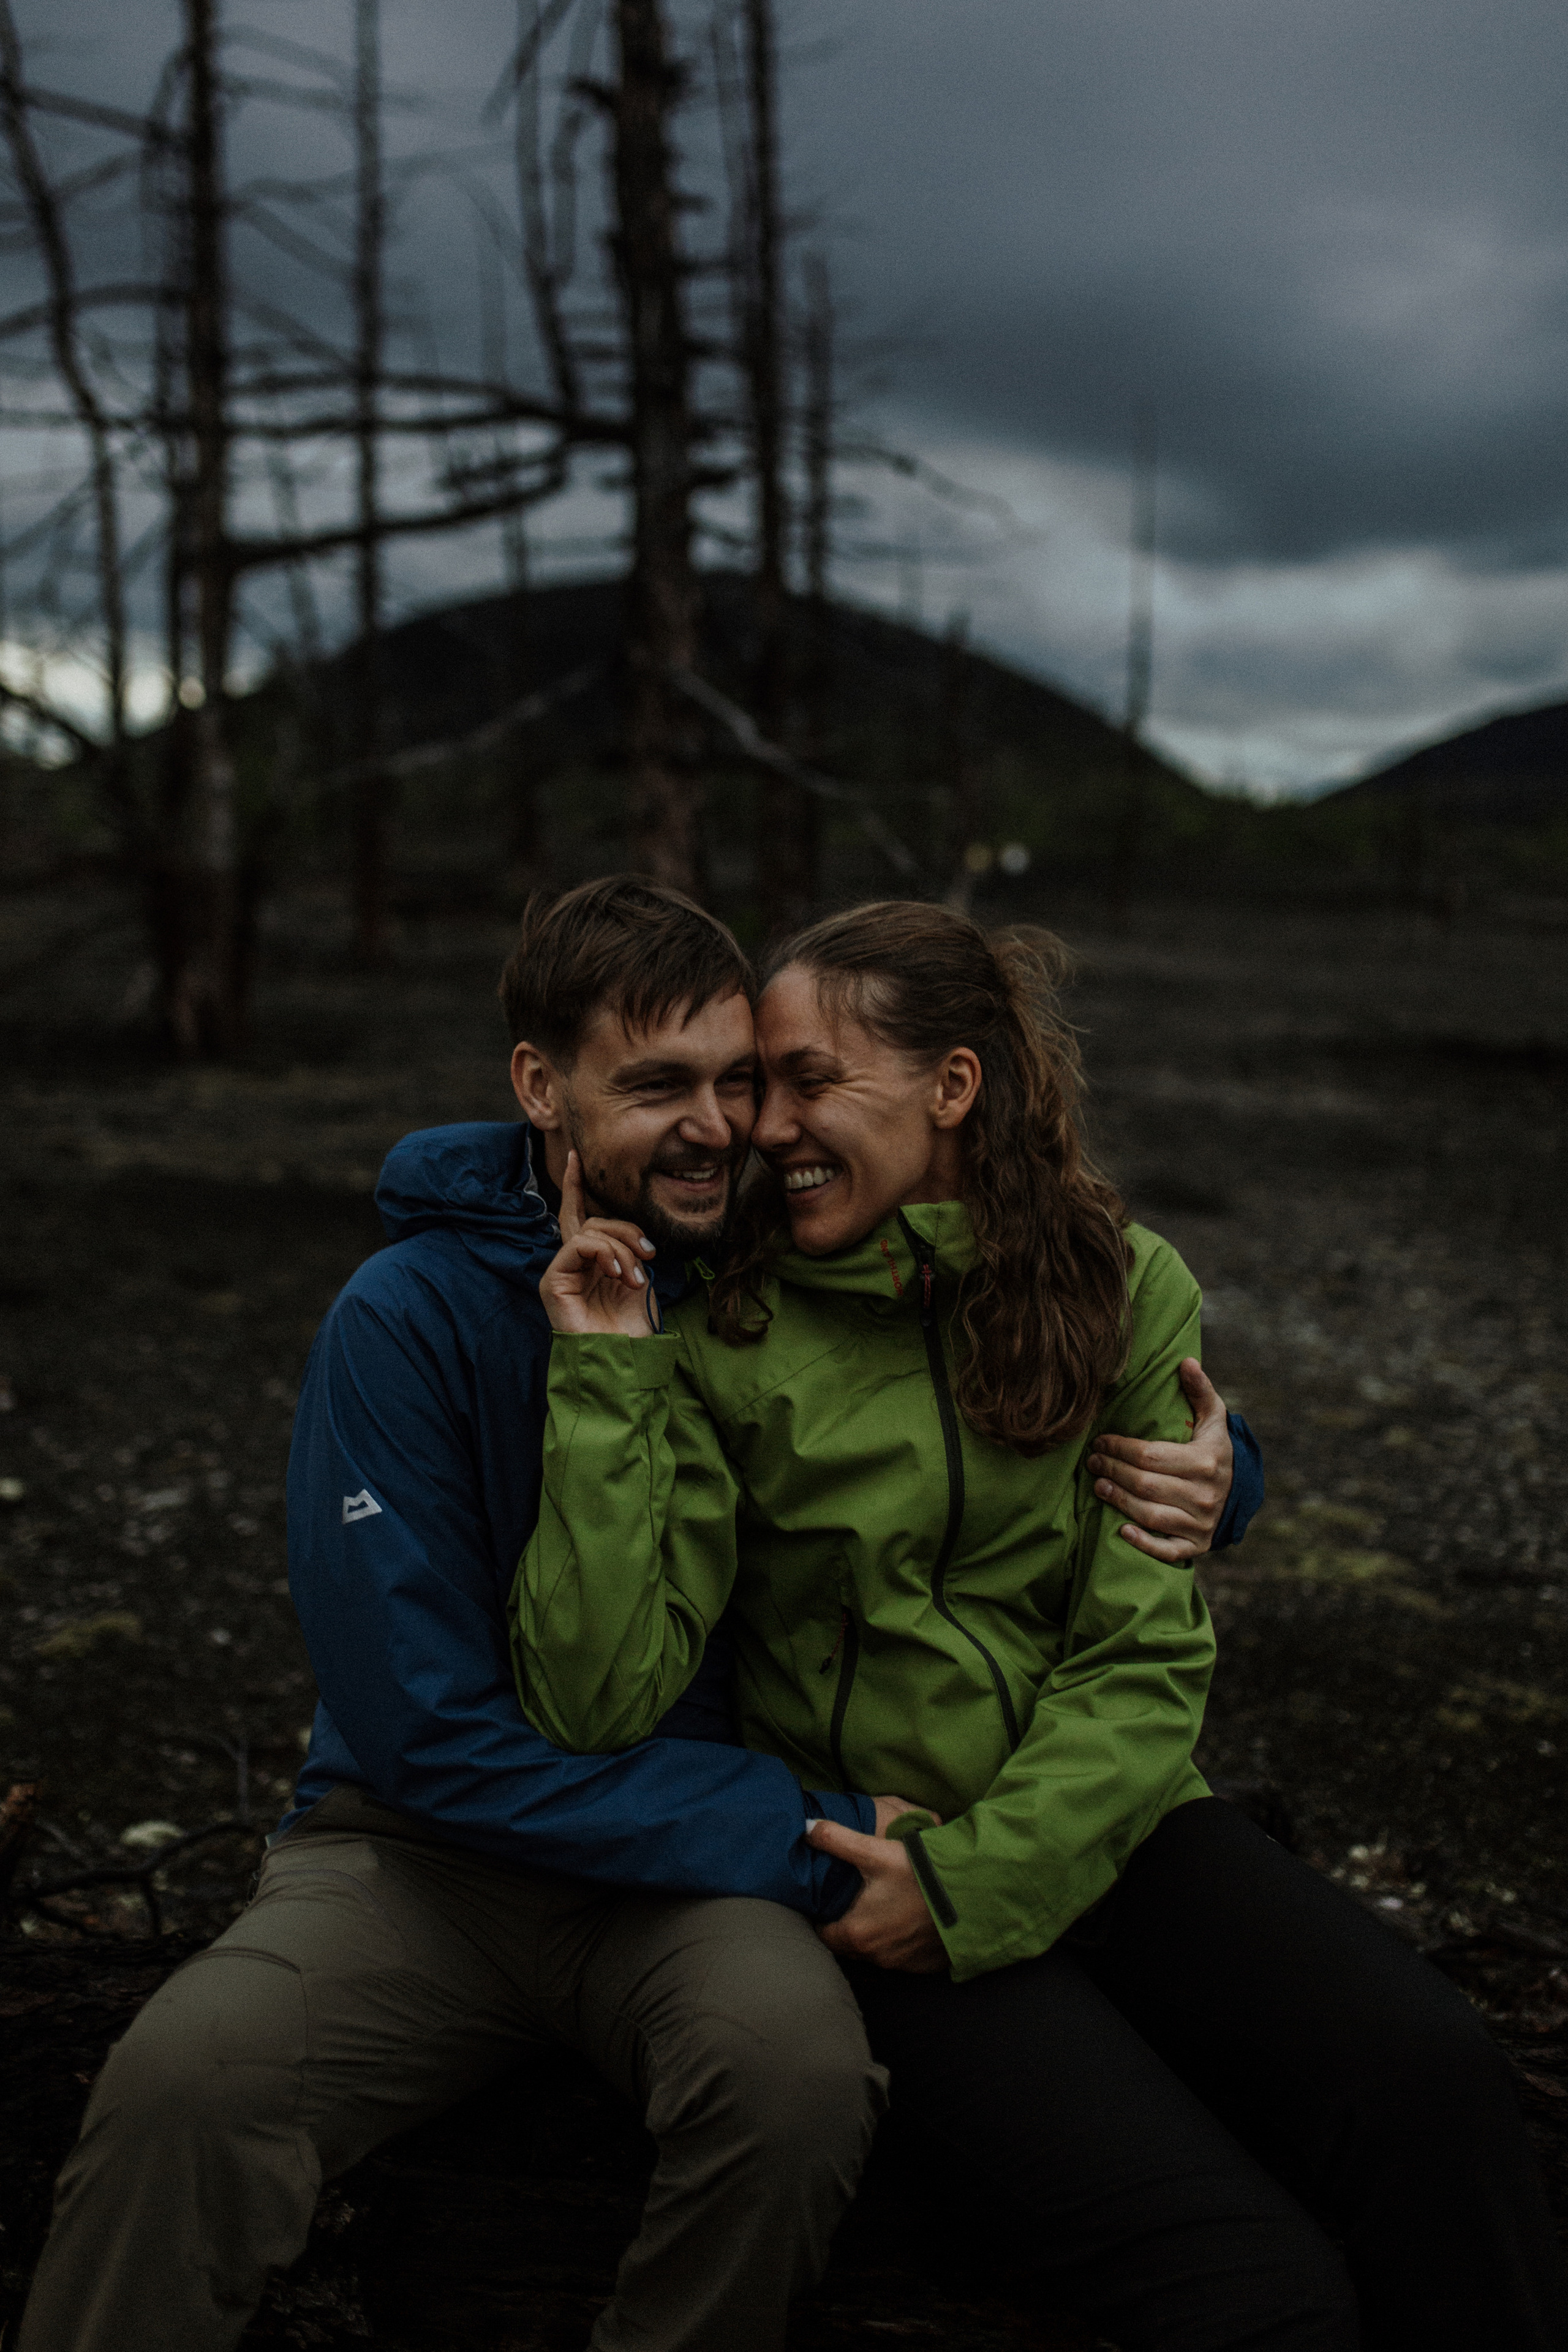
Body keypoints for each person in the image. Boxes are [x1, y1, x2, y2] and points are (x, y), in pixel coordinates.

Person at [16, 878, 1249, 2352]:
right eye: (657, 1085)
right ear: (540, 1086)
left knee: (792, 2085)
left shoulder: (758, 1259)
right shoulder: (401, 1320)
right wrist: (806, 1830)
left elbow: (958, 1380)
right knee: (186, 2083)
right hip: (430, 1860)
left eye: (738, 1083)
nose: (721, 1126)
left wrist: (1216, 1479)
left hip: (684, 1890)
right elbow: (430, 1737)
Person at [511, 898, 1568, 2352]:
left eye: (810, 1080)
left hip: (1107, 1823)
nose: (765, 1129)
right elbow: (594, 1693)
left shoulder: (1123, 1290)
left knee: (1434, 2075)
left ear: (952, 1087)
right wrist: (606, 1379)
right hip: (890, 1874)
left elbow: (1143, 1656)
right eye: (766, 1086)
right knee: (1250, 2288)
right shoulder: (719, 1333)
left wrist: (995, 1879)